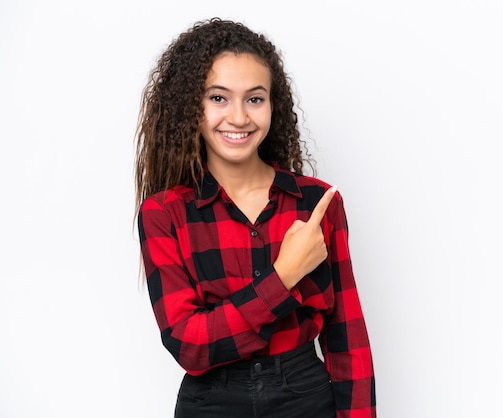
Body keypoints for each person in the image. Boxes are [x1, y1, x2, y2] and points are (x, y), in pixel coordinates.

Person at [134, 17, 376, 418]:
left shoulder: (317, 203)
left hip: (306, 395)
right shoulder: (164, 213)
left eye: (254, 98)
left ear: (272, 106)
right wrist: (283, 278)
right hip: (212, 401)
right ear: (191, 106)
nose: (239, 117)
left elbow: (347, 337)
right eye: (218, 98)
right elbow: (190, 345)